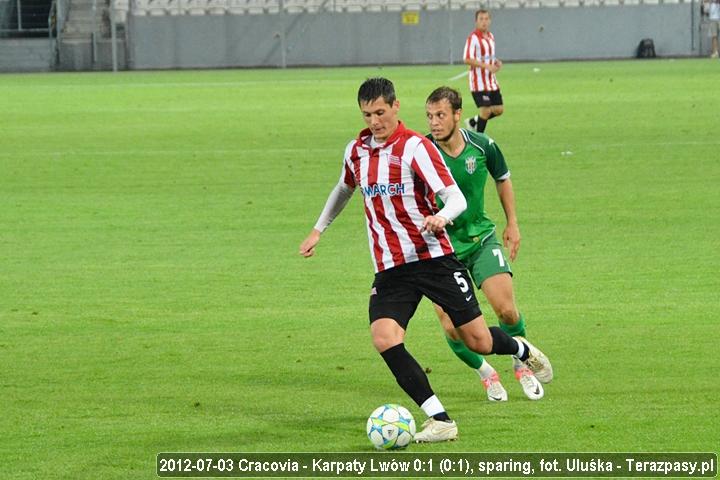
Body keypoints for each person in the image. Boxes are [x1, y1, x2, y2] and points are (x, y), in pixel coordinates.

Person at [299, 77, 551, 443]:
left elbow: (456, 199)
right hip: (391, 267)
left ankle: (521, 348)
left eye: (381, 112)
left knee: (478, 340)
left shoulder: (416, 147)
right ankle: (440, 419)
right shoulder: (356, 151)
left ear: (396, 106)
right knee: (384, 338)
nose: (375, 121)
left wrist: (442, 217)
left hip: (433, 259)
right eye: (368, 114)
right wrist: (318, 229)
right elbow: (344, 187)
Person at [425, 86, 553, 402]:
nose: (434, 123)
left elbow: (503, 178)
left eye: (440, 115)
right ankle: (486, 373)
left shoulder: (483, 146)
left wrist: (512, 223)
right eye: (429, 116)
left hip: (481, 239)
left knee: (507, 311)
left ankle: (520, 363)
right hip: (441, 251)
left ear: (457, 115)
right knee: (454, 329)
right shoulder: (422, 152)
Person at [463, 9, 503, 134]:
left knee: (498, 109)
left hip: (491, 81)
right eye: (481, 19)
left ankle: (474, 122)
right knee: (485, 111)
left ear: (490, 21)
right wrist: (486, 66)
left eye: (486, 19)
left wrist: (496, 62)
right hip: (478, 83)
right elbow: (467, 58)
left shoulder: (491, 37)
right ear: (476, 21)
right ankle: (479, 139)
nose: (484, 22)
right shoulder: (473, 38)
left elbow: (489, 57)